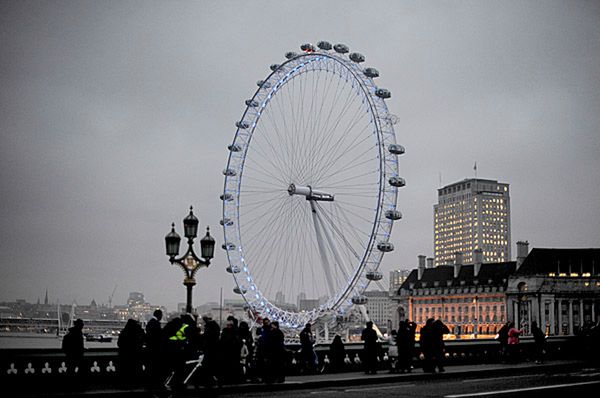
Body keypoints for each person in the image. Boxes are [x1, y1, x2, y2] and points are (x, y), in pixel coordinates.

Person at [117, 318, 145, 383]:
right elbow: (144, 340)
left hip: (125, 356)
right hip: (136, 356)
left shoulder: (124, 332)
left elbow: (119, 344)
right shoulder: (138, 332)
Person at [219, 317, 243, 384]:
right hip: (231, 352)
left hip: (231, 352)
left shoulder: (232, 331)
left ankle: (230, 379)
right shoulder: (236, 331)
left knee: (231, 366)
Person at [145, 309, 164, 390]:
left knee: (150, 368)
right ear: (159, 315)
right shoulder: (156, 324)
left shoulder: (150, 323)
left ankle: (150, 384)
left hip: (150, 348)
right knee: (155, 368)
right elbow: (158, 337)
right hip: (155, 349)